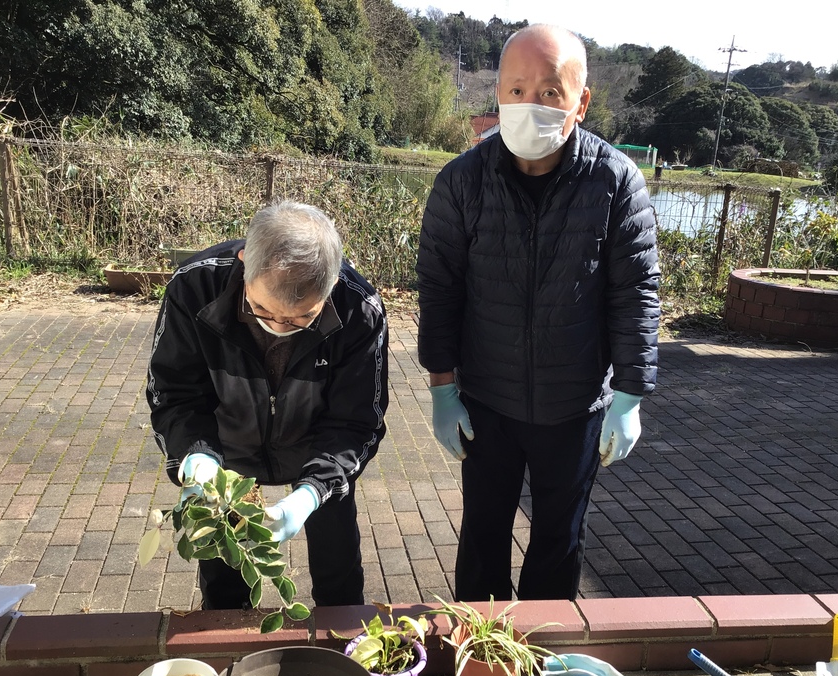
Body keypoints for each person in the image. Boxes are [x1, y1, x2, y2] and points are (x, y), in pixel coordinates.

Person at [416, 24, 660, 602]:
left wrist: (630, 395)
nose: (532, 105)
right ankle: (481, 657)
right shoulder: (461, 182)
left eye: (551, 92)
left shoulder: (614, 181)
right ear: (498, 93)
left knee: (559, 536)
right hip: (487, 402)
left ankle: (543, 655)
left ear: (582, 100)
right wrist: (442, 389)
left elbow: (636, 293)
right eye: (517, 90)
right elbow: (440, 291)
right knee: (483, 534)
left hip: (575, 405)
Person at [147, 200, 388, 608]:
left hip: (317, 448)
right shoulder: (194, 288)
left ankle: (340, 648)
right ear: (244, 264)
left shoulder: (358, 309)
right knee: (224, 582)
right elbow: (175, 394)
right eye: (260, 309)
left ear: (329, 287)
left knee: (339, 577)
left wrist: (312, 492)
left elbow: (355, 422)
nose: (277, 327)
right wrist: (196, 457)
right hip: (228, 454)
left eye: (300, 319)